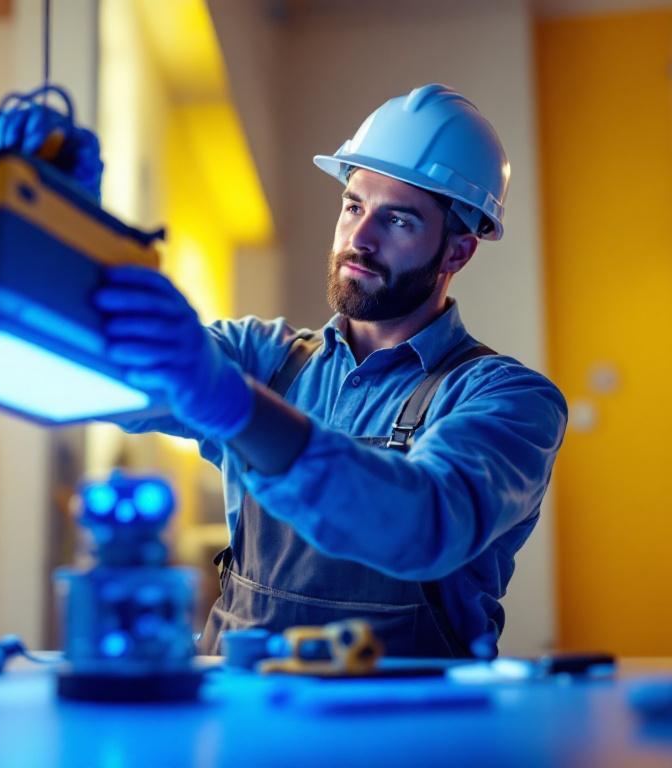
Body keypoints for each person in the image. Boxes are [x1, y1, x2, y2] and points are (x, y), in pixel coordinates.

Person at [94, 83, 567, 658]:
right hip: (243, 726)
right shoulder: (262, 357)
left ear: (457, 253)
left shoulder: (507, 398)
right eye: (353, 206)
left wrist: (242, 411)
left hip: (405, 736)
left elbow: (425, 521)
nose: (359, 238)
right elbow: (101, 369)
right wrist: (54, 216)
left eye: (398, 221)